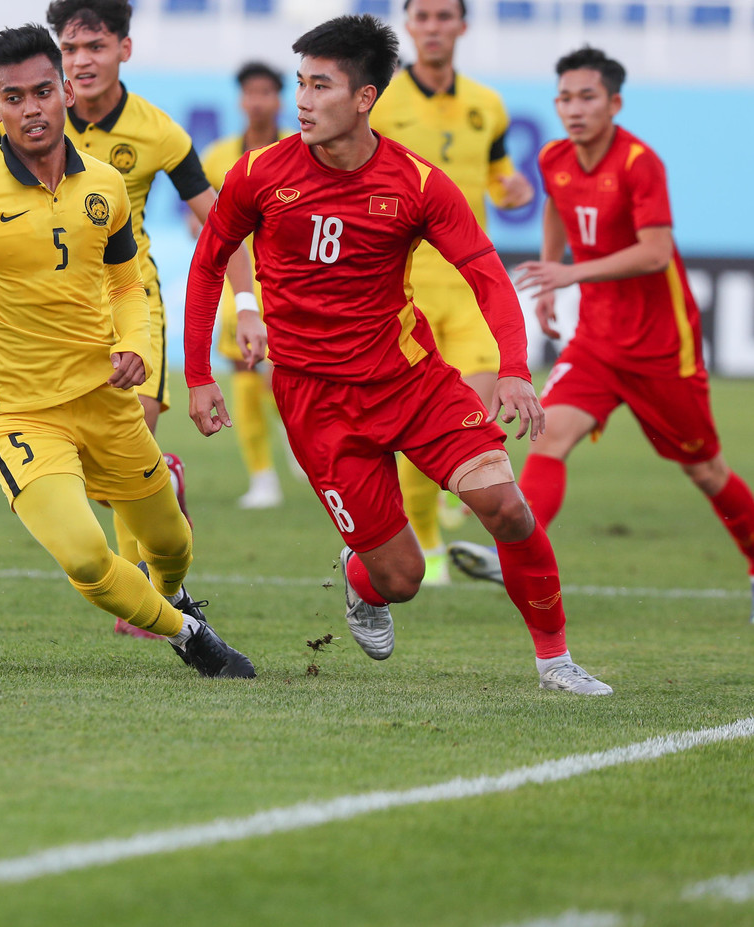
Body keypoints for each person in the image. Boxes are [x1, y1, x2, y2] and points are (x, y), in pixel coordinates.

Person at [184, 14, 612, 694]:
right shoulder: (259, 174)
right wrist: (200, 374)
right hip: (318, 403)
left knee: (506, 505)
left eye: (320, 85)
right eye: (300, 83)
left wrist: (512, 368)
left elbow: (488, 275)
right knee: (402, 578)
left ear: (362, 99)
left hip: (412, 380)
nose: (302, 100)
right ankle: (363, 582)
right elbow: (208, 264)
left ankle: (556, 660)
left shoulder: (415, 183)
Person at [0, 24, 256, 679]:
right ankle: (190, 635)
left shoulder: (106, 188)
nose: (31, 108)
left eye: (41, 91)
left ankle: (173, 595)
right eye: (13, 97)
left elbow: (125, 284)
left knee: (170, 540)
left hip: (106, 396)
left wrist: (135, 344)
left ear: (64, 92)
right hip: (21, 413)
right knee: (88, 557)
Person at [450, 47, 754, 623]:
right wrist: (547, 279)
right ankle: (511, 548)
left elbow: (656, 251)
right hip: (595, 340)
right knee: (551, 437)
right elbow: (555, 209)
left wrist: (570, 273)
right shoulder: (554, 156)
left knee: (704, 468)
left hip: (663, 346)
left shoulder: (640, 162)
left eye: (587, 97)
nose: (573, 108)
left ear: (614, 103)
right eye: (564, 97)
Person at [0, 2, 255, 637]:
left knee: (124, 438)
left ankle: (144, 590)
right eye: (71, 48)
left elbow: (219, 225)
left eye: (95, 47)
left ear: (124, 51)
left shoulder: (158, 132)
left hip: (130, 305)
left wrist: (246, 304)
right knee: (95, 472)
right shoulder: (29, 119)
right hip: (56, 325)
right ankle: (161, 485)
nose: (81, 61)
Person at [371, 0, 534, 584]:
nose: (434, 27)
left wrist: (510, 188)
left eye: (446, 16)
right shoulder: (381, 100)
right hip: (403, 288)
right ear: (409, 26)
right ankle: (431, 544)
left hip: (468, 289)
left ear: (463, 26)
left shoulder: (485, 105)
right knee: (422, 420)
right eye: (424, 17)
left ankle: (447, 519)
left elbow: (498, 174)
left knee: (468, 415)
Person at [197, 61, 299, 510]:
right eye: (250, 93)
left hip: (291, 284)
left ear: (280, 100)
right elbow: (197, 216)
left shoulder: (302, 151)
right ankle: (263, 479)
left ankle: (296, 437)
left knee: (285, 377)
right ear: (241, 100)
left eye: (266, 93)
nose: (258, 101)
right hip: (237, 287)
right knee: (242, 374)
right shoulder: (219, 156)